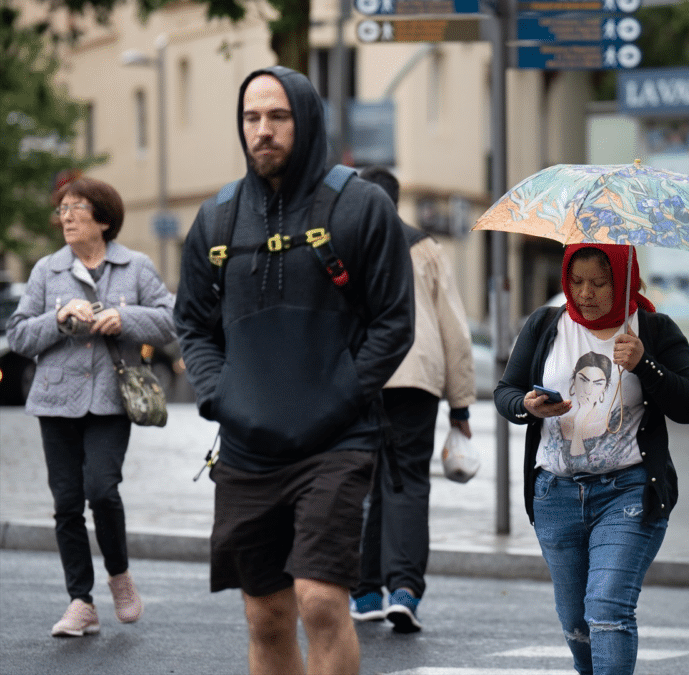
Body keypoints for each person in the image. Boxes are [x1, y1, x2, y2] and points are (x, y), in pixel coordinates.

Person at [173, 67, 413, 675]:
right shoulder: (216, 220)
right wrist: (220, 395)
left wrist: (342, 394)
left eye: (278, 117)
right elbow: (193, 325)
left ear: (305, 120)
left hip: (337, 441)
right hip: (247, 448)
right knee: (265, 614)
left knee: (321, 600)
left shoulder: (362, 206)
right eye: (252, 119)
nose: (264, 131)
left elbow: (393, 322)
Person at [494, 244, 689, 674]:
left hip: (627, 492)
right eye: (577, 282)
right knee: (577, 623)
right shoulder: (545, 325)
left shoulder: (654, 330)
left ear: (624, 280)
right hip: (556, 495)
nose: (586, 293)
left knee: (607, 610)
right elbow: (506, 392)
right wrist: (527, 406)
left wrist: (646, 364)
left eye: (600, 283)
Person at [5, 177, 175, 637]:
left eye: (77, 208)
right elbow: (18, 334)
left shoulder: (135, 266)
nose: (67, 217)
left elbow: (170, 318)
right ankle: (81, 601)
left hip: (111, 401)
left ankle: (119, 576)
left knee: (101, 490)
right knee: (65, 504)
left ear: (103, 217)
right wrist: (59, 320)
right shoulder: (46, 270)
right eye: (62, 209)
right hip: (56, 400)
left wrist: (127, 318)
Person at [350, 166, 475, 633]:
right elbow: (454, 329)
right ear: (396, 200)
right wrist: (460, 404)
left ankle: (364, 593)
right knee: (406, 484)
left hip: (358, 381)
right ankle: (404, 591)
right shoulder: (425, 247)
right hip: (415, 380)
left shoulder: (343, 247)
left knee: (359, 484)